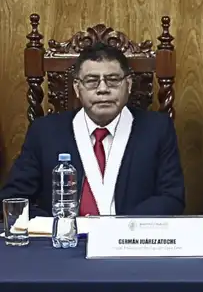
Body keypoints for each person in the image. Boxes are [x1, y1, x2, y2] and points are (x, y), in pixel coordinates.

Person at [0, 43, 185, 216]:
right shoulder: (44, 132)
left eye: (113, 80)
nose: (103, 89)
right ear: (77, 88)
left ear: (128, 85)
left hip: (129, 243)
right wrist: (57, 226)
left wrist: (123, 229)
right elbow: (13, 199)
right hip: (63, 245)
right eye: (91, 81)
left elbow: (172, 198)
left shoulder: (157, 129)